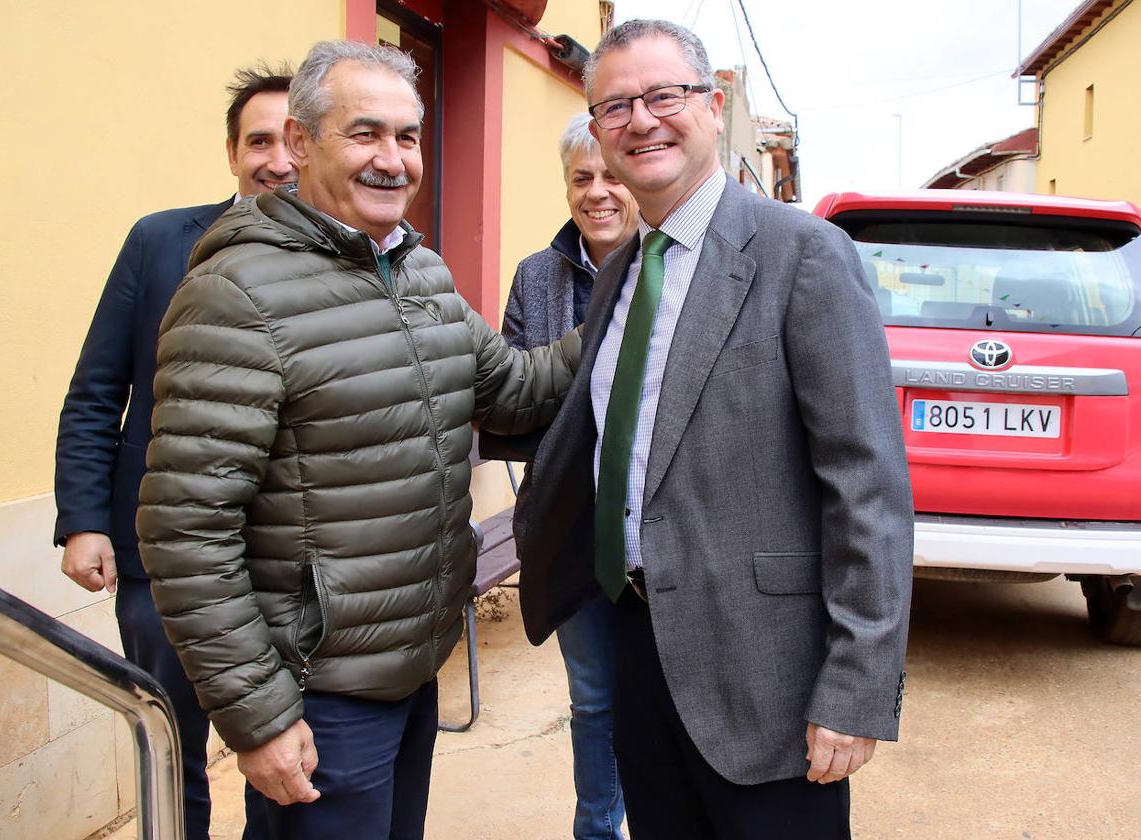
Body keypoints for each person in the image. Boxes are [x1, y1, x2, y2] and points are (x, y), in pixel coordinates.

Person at [134, 40, 581, 839]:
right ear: (302, 144)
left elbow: (512, 392)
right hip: (318, 693)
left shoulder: (418, 272)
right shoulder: (236, 294)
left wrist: (631, 295)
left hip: (410, 668)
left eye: (407, 137)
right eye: (365, 133)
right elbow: (187, 532)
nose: (394, 160)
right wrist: (261, 717)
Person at [513, 19, 913, 840]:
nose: (641, 119)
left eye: (666, 95)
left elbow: (868, 486)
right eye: (615, 105)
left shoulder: (803, 254)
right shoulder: (626, 265)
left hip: (769, 675)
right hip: (640, 647)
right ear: (595, 129)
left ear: (713, 104)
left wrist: (855, 686)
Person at [53, 64, 295, 840]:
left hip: (283, 566)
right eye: (259, 140)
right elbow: (98, 388)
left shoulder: (342, 259)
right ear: (231, 152)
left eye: (295, 140)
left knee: (285, 762)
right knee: (170, 748)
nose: (278, 160)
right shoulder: (159, 242)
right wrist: (85, 518)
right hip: (161, 557)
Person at [494, 111, 637, 840]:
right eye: (582, 178)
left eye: (613, 174)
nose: (598, 192)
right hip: (566, 523)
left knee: (660, 695)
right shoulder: (537, 277)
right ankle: (594, 829)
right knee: (592, 696)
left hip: (656, 528)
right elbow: (510, 396)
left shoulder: (669, 269)